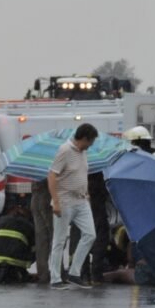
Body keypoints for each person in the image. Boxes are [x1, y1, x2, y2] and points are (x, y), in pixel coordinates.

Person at [47, 123, 99, 290]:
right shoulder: (65, 150)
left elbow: (80, 174)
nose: (91, 146)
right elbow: (52, 175)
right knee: (59, 240)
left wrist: (86, 193)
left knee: (90, 234)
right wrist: (55, 201)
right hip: (65, 201)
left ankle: (74, 273)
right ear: (83, 138)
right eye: (90, 142)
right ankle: (55, 278)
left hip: (82, 201)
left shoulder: (83, 153)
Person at [0, 203, 37, 284]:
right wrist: (26, 262)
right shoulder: (29, 225)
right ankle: (15, 271)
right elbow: (35, 249)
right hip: (15, 261)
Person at [30, 180, 53, 284]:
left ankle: (42, 274)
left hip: (35, 195)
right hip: (48, 195)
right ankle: (59, 273)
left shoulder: (35, 164)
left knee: (41, 238)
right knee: (56, 236)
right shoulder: (51, 163)